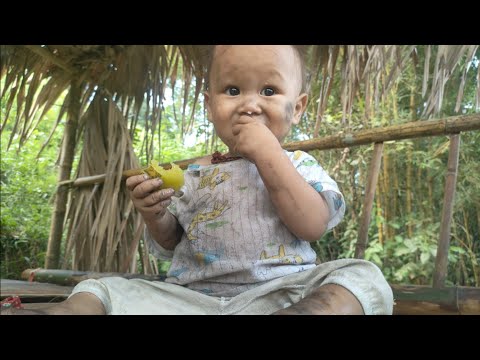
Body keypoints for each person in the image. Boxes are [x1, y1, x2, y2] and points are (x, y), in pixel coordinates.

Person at [1, 45, 393, 315]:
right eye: (233, 90)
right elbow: (173, 240)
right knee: (99, 289)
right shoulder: (195, 175)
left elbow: (311, 224)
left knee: (363, 278)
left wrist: (268, 154)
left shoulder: (299, 164)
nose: (250, 104)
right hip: (189, 301)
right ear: (210, 105)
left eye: (270, 91)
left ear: (298, 107)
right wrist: (155, 215)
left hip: (283, 296)